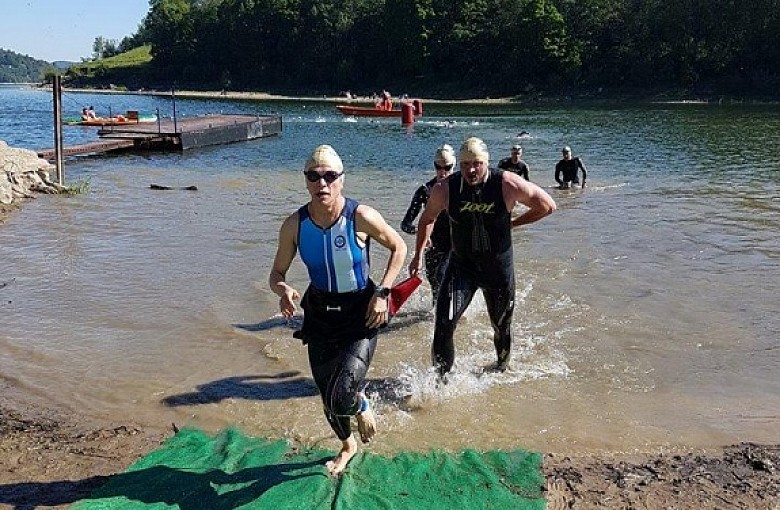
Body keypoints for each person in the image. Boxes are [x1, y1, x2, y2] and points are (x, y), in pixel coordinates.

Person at [269, 145, 407, 476]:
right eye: (314, 176)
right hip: (319, 314)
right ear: (306, 181)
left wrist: (383, 292)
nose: (322, 184)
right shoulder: (294, 225)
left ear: (341, 179)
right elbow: (276, 274)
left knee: (342, 389)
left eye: (330, 176)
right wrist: (283, 289)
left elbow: (399, 246)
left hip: (361, 312)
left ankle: (358, 401)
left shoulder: (360, 216)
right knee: (327, 395)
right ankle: (347, 444)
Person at [408, 137, 556, 377]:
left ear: (486, 162)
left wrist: (514, 224)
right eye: (465, 164)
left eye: (476, 163)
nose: (470, 170)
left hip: (497, 269)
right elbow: (427, 219)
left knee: (501, 327)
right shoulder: (445, 188)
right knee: (443, 325)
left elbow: (547, 205)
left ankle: (501, 368)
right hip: (461, 267)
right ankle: (440, 383)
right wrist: (417, 255)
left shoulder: (507, 183)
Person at [400, 144, 455, 303]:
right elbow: (405, 224)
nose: (442, 171)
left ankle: (451, 315)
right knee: (435, 285)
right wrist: (420, 233)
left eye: (447, 167)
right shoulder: (425, 191)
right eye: (438, 167)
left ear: (454, 166)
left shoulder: (461, 188)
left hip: (455, 243)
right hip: (433, 244)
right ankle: (435, 318)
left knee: (443, 276)